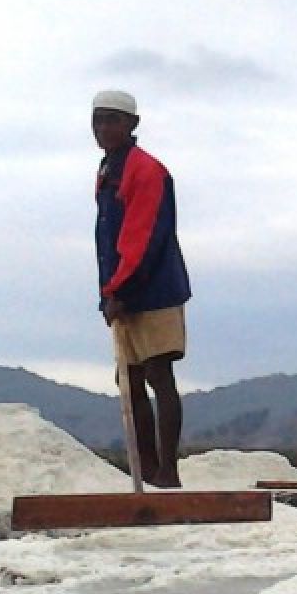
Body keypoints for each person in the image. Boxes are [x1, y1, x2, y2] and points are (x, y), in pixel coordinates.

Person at [92, 89, 191, 487]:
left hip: (153, 285)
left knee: (157, 371)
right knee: (128, 378)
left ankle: (168, 470)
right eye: (97, 120)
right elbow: (107, 238)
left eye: (112, 119)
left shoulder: (146, 170)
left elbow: (142, 235)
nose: (103, 128)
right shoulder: (108, 169)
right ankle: (145, 466)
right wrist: (108, 292)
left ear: (132, 123)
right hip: (122, 289)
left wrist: (119, 287)